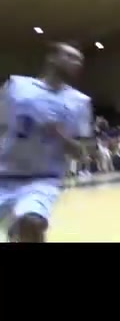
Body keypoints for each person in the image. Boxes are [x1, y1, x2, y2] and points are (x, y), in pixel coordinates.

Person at [0, 42, 94, 243]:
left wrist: (60, 136)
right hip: (4, 175)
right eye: (70, 56)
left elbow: (82, 153)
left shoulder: (80, 102)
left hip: (41, 180)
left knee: (32, 223)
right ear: (52, 58)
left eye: (80, 60)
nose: (77, 63)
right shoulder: (17, 86)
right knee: (20, 231)